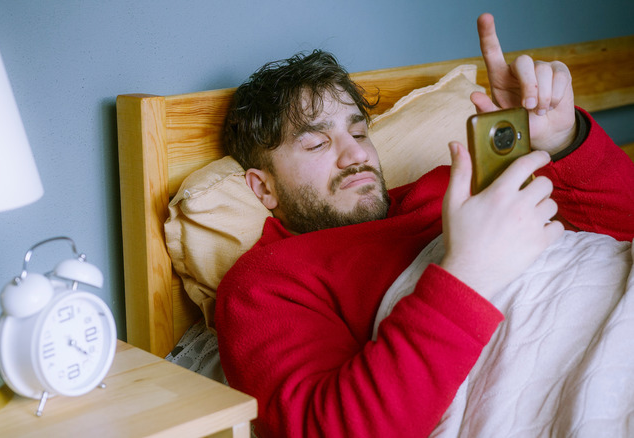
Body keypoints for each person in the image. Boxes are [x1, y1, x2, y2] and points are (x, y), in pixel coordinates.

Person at [215, 13, 634, 438]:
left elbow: (621, 232)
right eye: (318, 143)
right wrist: (469, 272)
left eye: (359, 133)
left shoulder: (448, 182)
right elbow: (332, 428)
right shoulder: (265, 281)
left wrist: (561, 139)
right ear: (263, 188)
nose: (355, 155)